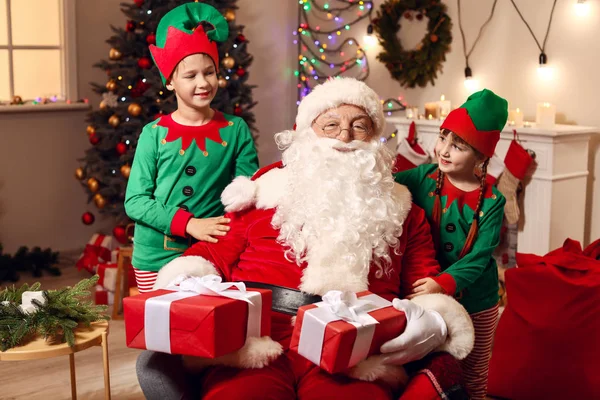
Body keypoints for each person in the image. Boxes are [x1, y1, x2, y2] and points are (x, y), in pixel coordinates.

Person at [136, 78, 474, 400]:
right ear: (305, 133)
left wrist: (432, 319)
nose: (345, 135)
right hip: (258, 338)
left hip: (354, 353)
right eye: (330, 124)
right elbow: (213, 253)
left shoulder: (403, 210)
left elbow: (425, 283)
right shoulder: (263, 192)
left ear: (374, 139)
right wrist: (193, 285)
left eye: (360, 125)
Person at [124, 3, 258, 293]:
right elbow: (135, 201)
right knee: (161, 329)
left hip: (210, 254)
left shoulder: (236, 130)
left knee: (204, 328)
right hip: (154, 256)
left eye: (209, 72)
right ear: (170, 82)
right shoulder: (153, 134)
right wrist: (188, 224)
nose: (203, 82)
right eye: (190, 76)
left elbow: (246, 194)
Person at [393, 89, 508, 399]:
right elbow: (383, 186)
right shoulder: (421, 178)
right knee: (428, 363)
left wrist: (443, 282)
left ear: (481, 157)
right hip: (426, 295)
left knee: (474, 372)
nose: (443, 150)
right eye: (443, 138)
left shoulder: (493, 201)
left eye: (457, 146)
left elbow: (481, 256)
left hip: (478, 300)